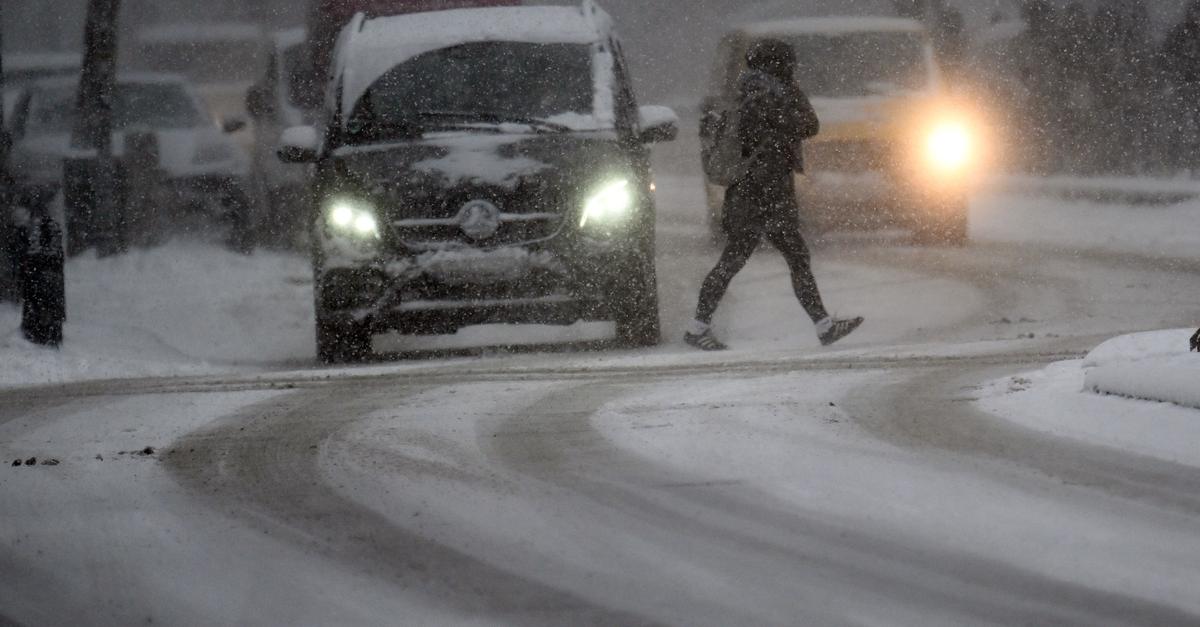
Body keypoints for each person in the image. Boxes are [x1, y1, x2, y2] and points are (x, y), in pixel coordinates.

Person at [685, 40, 863, 352]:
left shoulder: (748, 90)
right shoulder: (768, 93)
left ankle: (822, 326)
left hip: (750, 190)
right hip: (764, 192)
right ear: (776, 64)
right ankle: (698, 328)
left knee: (747, 258)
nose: (793, 69)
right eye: (789, 64)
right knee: (771, 258)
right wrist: (792, 93)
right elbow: (808, 125)